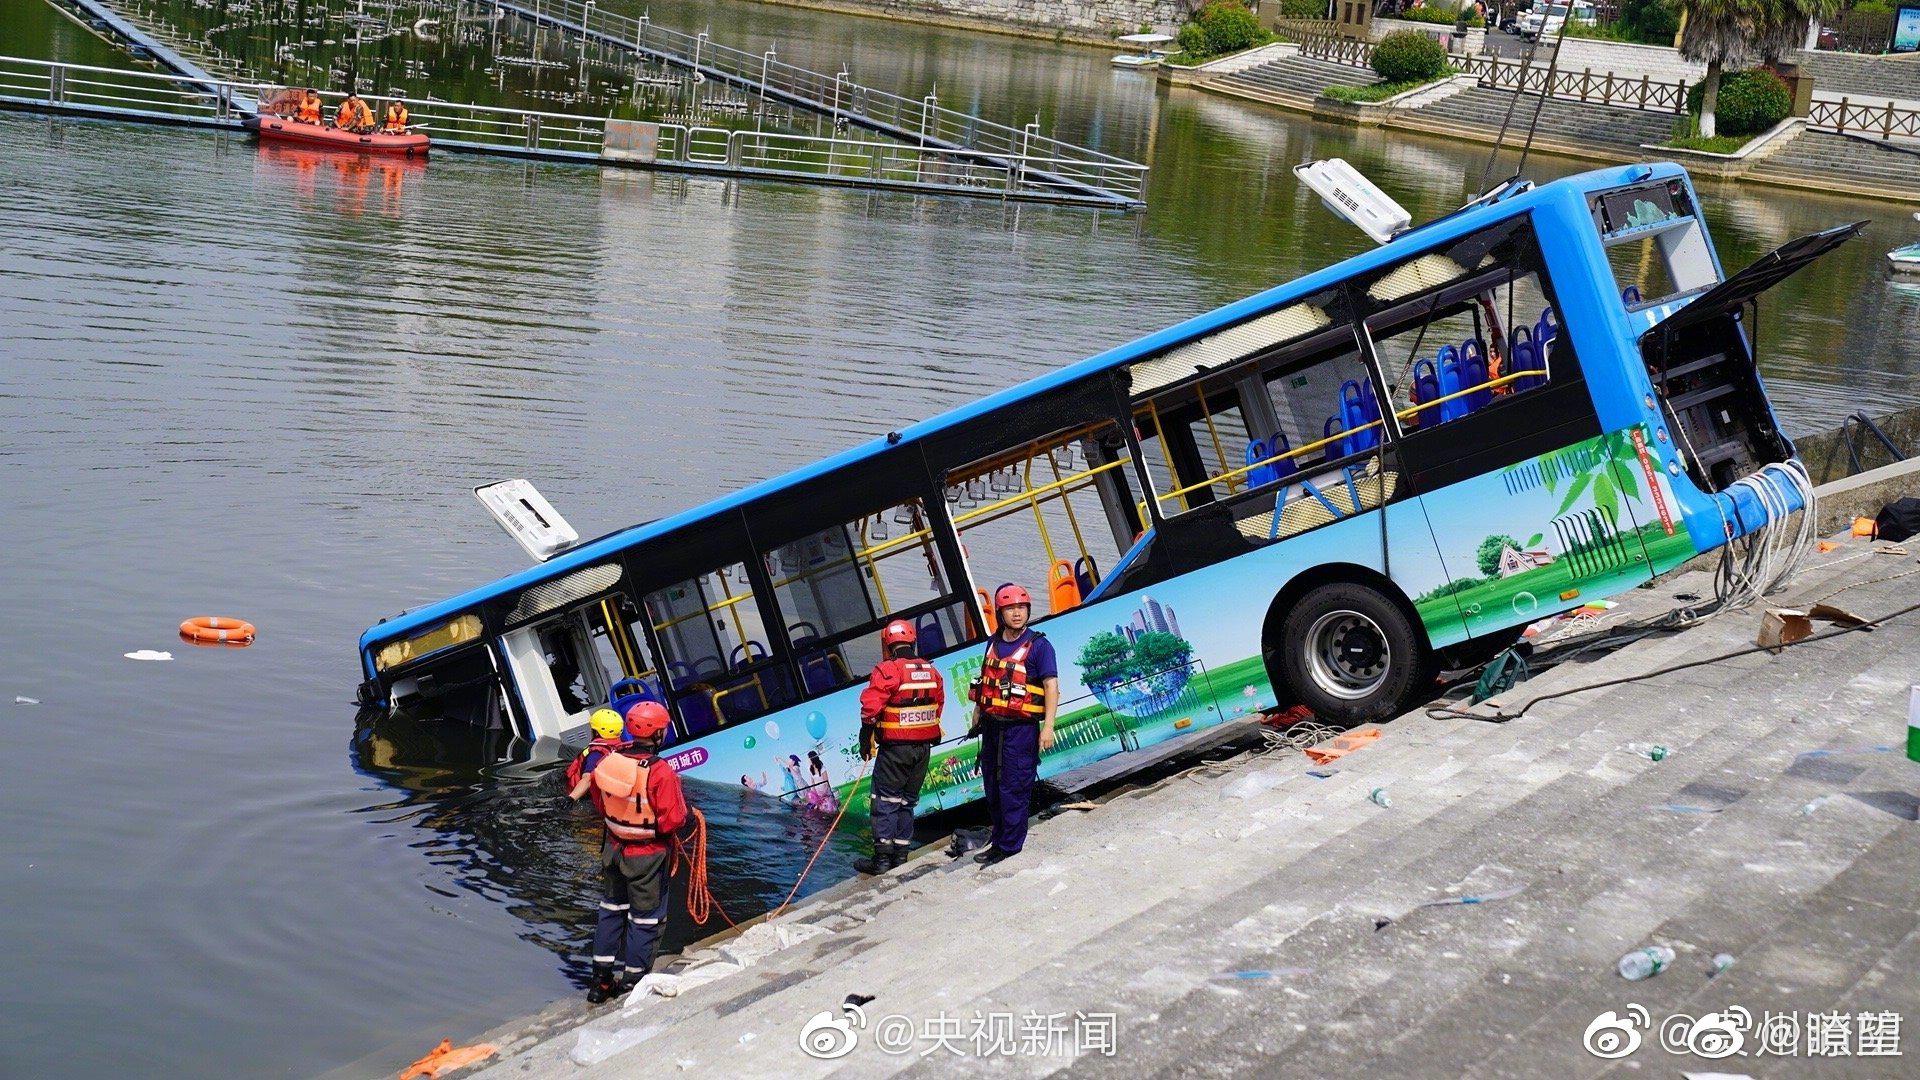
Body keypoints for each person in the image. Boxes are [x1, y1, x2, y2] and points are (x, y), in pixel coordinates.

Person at [568, 701, 687, 1004]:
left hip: (613, 849)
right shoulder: (660, 772)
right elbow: (673, 819)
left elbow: (598, 800)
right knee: (645, 921)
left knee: (611, 913)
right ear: (658, 733)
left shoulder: (609, 761)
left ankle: (600, 982)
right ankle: (634, 983)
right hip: (647, 855)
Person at [965, 585, 1058, 866]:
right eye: (1010, 609)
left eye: (1021, 608)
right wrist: (977, 713)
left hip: (1021, 728)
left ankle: (1009, 846)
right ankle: (1000, 838)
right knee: (992, 785)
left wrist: (1048, 727)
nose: (1016, 613)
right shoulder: (992, 643)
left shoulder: (1039, 646)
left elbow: (1051, 687)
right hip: (993, 726)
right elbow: (985, 683)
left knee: (1013, 787)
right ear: (1000, 613)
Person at [853, 619, 944, 875]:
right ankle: (901, 856)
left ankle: (882, 861)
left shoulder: (887, 670)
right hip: (922, 749)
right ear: (912, 641)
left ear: (887, 645)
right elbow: (938, 705)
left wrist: (865, 738)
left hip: (895, 751)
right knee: (906, 802)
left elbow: (870, 709)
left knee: (884, 802)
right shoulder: (931, 671)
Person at [565, 708, 629, 790]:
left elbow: (587, 779)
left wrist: (571, 798)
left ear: (596, 732)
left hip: (580, 789)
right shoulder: (624, 747)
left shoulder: (595, 754)